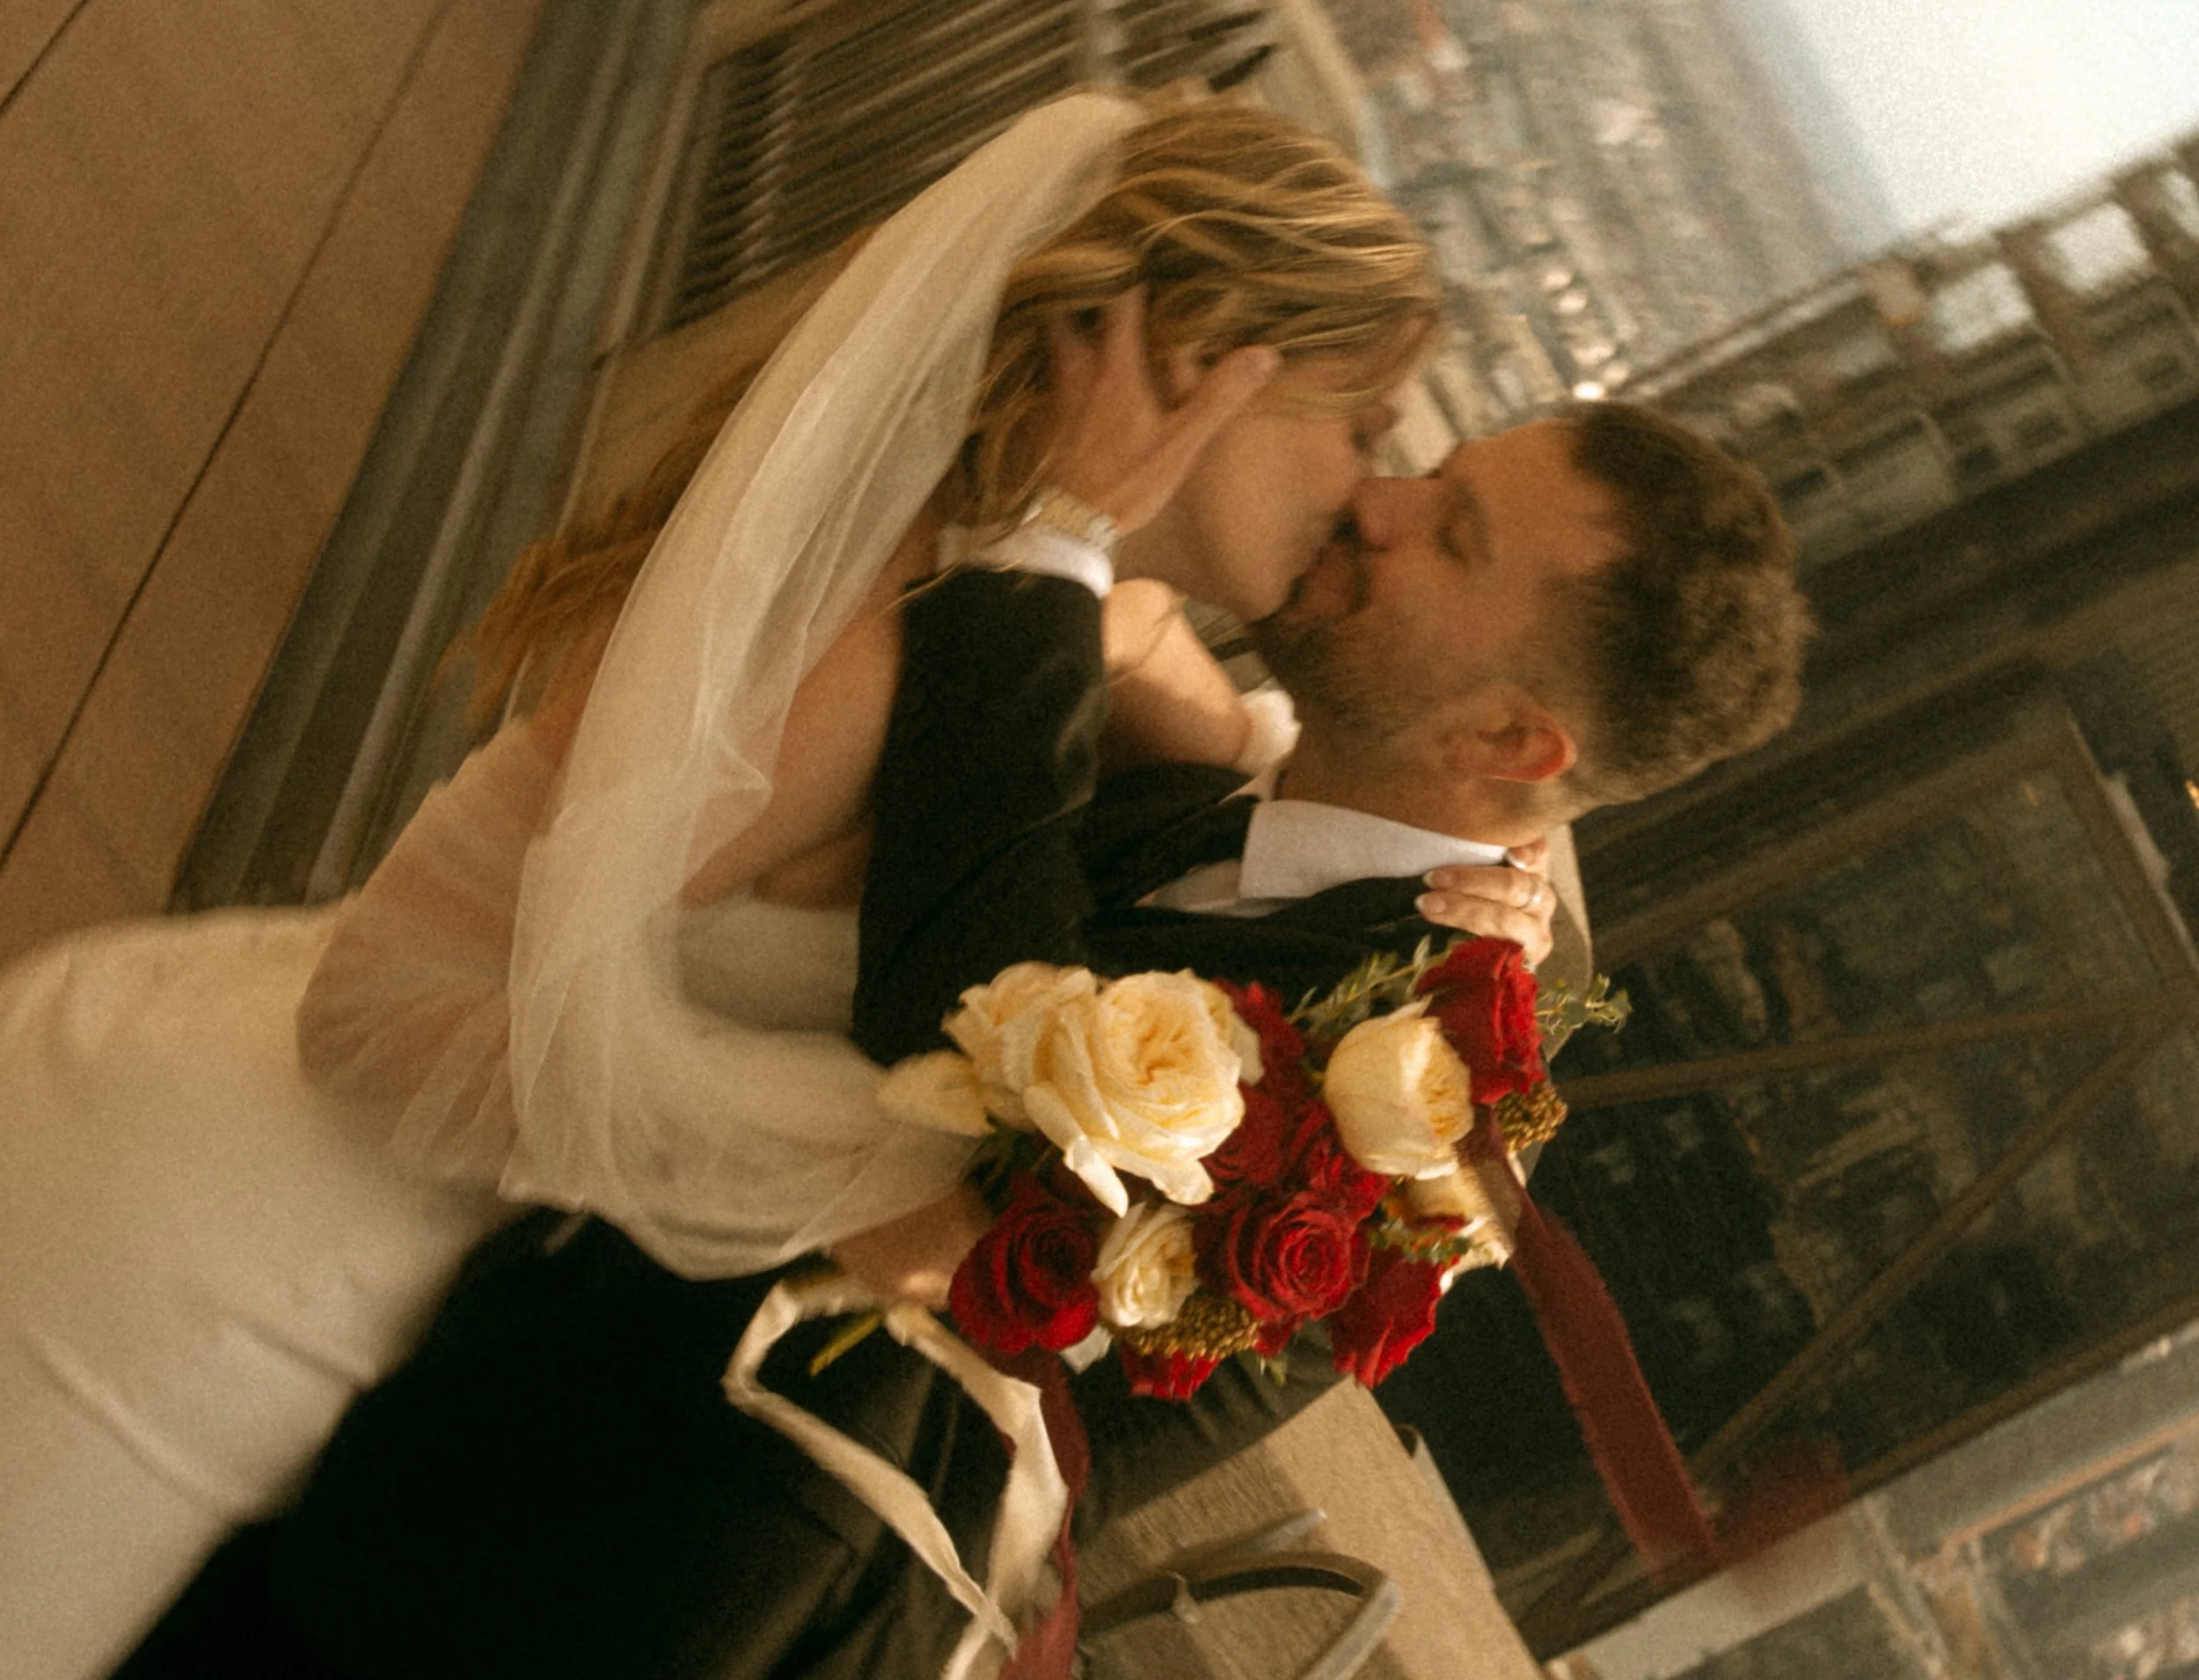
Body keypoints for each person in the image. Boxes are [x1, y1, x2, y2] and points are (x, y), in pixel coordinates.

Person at [0, 92, 1448, 1680]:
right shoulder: (887, 645)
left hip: (326, 1241)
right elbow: (382, 1007)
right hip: (242, 1246)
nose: (1369, 491)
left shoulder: (1033, 617)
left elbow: (1166, 691)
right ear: (1208, 363)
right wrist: (862, 1178)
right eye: (1359, 426)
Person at [128, 362, 1808, 1678]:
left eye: (1451, 537)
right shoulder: (1258, 822)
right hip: (494, 1438)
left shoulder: (1408, 1100)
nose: (1376, 502)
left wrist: (1055, 528)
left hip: (630, 1587)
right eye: (1432, 473)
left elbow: (969, 1044)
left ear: (1514, 744)